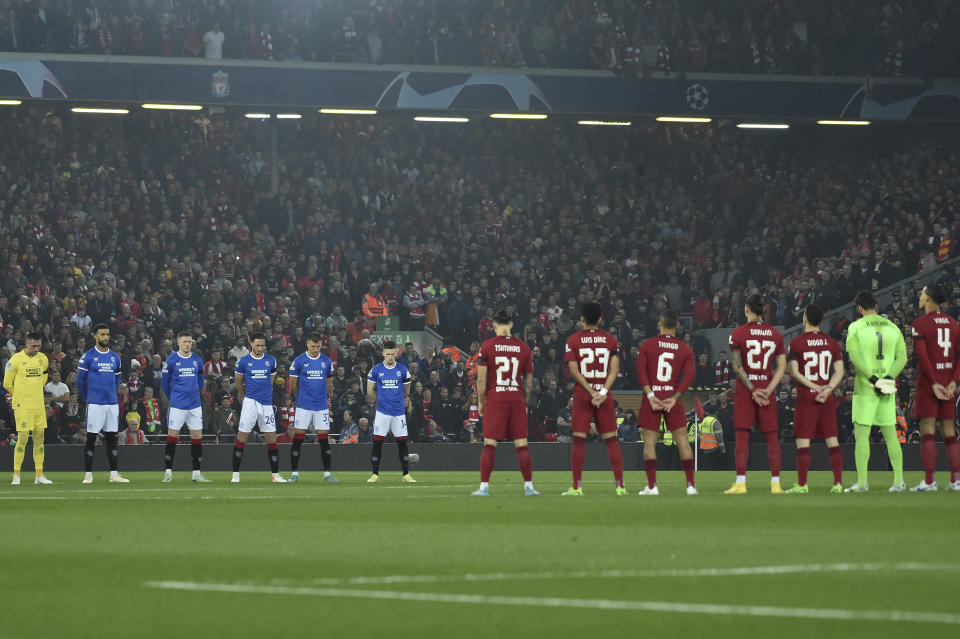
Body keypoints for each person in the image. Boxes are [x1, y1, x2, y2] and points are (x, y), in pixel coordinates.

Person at [561, 301, 626, 496]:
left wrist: (590, 392)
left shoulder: (572, 340)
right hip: (604, 395)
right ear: (600, 319)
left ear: (581, 319)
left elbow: (573, 369)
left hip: (582, 394)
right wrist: (602, 392)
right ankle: (620, 487)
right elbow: (614, 369)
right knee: (612, 441)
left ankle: (576, 487)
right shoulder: (610, 339)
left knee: (579, 440)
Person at [844, 290, 907, 493]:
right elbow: (902, 359)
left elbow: (854, 358)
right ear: (877, 307)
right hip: (887, 386)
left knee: (862, 435)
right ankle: (898, 481)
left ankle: (862, 483)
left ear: (859, 308)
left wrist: (873, 379)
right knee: (891, 434)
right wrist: (887, 379)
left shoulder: (855, 327)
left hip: (865, 387)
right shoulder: (893, 327)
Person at [471, 310, 539, 497]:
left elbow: (482, 380)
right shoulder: (524, 347)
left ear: (494, 325)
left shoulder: (487, 346)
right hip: (516, 397)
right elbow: (529, 381)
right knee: (522, 444)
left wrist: (482, 403)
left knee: (490, 443)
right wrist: (524, 402)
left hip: (496, 398)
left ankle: (484, 487)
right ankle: (528, 487)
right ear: (511, 325)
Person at [725, 294, 787, 494]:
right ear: (764, 310)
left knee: (742, 435)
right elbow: (781, 367)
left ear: (747, 310)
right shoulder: (776, 335)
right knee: (772, 436)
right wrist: (768, 390)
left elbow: (737, 366)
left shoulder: (737, 334)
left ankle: (741, 483)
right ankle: (776, 484)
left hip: (747, 388)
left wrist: (752, 390)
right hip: (766, 385)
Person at [635, 310, 697, 495]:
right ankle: (691, 486)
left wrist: (651, 395)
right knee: (683, 442)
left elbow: (641, 371)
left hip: (652, 398)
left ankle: (652, 487)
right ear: (677, 325)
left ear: (660, 324)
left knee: (650, 444)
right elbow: (690, 375)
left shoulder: (647, 345)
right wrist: (675, 397)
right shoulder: (685, 349)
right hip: (672, 398)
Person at [785, 304, 845, 494]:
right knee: (832, 440)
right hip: (826, 398)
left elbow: (794, 372)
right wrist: (827, 389)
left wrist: (814, 387)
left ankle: (802, 485)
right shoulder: (831, 342)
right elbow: (840, 371)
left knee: (803, 442)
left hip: (806, 398)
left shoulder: (796, 343)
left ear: (805, 318)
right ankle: (837, 484)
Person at [909, 284, 960, 491]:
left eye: (922, 294)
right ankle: (956, 480)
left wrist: (934, 383)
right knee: (950, 433)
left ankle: (930, 482)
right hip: (948, 386)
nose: (920, 297)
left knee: (928, 432)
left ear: (928, 299)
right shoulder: (953, 323)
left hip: (929, 386)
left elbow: (922, 356)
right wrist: (953, 381)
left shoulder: (920, 323)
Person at [76, 324, 129, 484]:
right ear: (95, 336)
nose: (106, 337)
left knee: (112, 438)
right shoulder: (88, 356)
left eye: (107, 334)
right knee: (91, 438)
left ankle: (114, 474)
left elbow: (117, 379)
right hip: (95, 404)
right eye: (102, 334)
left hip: (111, 404)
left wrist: (112, 393)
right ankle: (88, 475)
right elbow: (80, 381)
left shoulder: (115, 357)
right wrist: (88, 398)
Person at [232, 333, 286, 482]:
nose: (260, 348)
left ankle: (275, 475)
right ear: (251, 345)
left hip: (266, 404)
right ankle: (235, 475)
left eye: (262, 345)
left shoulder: (271, 360)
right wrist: (245, 395)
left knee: (271, 438)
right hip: (250, 402)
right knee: (242, 437)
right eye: (257, 345)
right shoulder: (243, 362)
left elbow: (271, 380)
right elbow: (238, 383)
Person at [3, 331, 53, 485]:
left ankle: (39, 475)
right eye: (34, 345)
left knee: (40, 439)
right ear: (27, 343)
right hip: (22, 405)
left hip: (38, 405)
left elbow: (44, 378)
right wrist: (18, 396)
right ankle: (16, 475)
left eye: (39, 345)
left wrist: (35, 391)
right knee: (23, 438)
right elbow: (6, 383)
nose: (37, 348)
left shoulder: (43, 359)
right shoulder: (15, 359)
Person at [160, 330, 210, 482]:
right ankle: (168, 472)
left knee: (197, 438)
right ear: (178, 342)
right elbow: (164, 384)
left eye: (190, 342)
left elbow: (201, 380)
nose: (188, 344)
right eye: (185, 342)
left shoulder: (197, 359)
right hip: (178, 405)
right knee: (172, 437)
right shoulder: (171, 360)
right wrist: (173, 398)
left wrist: (195, 391)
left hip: (195, 405)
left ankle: (196, 473)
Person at [289, 332, 338, 483]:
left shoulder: (326, 361)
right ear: (307, 344)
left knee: (324, 440)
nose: (315, 349)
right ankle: (295, 474)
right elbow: (293, 385)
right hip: (304, 406)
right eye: (312, 346)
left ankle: (327, 474)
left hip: (321, 406)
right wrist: (301, 398)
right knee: (298, 440)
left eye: (317, 346)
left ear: (320, 345)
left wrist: (325, 397)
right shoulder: (299, 361)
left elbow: (329, 383)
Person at [366, 340, 417, 483]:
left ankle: (406, 475)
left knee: (402, 442)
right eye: (387, 354)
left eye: (392, 354)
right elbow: (370, 391)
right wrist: (381, 401)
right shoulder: (375, 370)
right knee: (378, 442)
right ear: (383, 354)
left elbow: (406, 391)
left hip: (398, 412)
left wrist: (397, 401)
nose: (390, 357)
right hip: (382, 412)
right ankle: (375, 474)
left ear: (396, 353)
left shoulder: (403, 370)